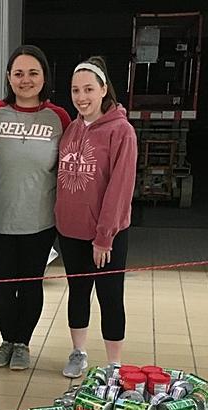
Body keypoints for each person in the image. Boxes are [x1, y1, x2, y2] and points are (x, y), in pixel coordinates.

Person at [0, 45, 70, 371]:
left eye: (33, 73)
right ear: (8, 77)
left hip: (39, 222)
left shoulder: (59, 118)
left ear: (44, 77)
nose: (25, 79)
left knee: (30, 286)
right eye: (18, 73)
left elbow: (71, 167)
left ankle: (23, 343)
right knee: (1, 288)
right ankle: (6, 340)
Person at [55, 56, 137, 378]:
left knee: (110, 295)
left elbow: (120, 188)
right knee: (78, 292)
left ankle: (114, 364)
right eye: (75, 90)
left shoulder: (121, 132)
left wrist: (104, 237)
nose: (81, 97)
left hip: (107, 235)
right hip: (71, 231)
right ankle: (78, 352)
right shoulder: (72, 129)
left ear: (104, 89)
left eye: (89, 89)